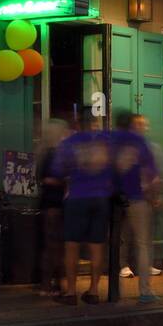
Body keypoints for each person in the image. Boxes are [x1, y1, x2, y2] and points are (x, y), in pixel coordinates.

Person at [44, 120, 114, 304]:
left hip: (77, 197)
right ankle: (93, 291)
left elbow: (57, 171)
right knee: (96, 246)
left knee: (71, 245)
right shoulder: (107, 142)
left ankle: (71, 292)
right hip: (101, 199)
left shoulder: (70, 143)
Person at [111, 110, 162, 303]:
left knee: (116, 240)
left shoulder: (110, 139)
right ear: (132, 123)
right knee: (142, 244)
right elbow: (152, 175)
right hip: (137, 197)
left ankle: (113, 290)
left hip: (113, 197)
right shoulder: (139, 141)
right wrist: (153, 196)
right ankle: (145, 291)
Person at [35, 119, 70, 296]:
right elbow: (49, 178)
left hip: (48, 203)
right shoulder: (54, 154)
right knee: (56, 247)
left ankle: (49, 285)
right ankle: (51, 285)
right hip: (55, 203)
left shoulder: (44, 153)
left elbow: (42, 178)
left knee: (51, 246)